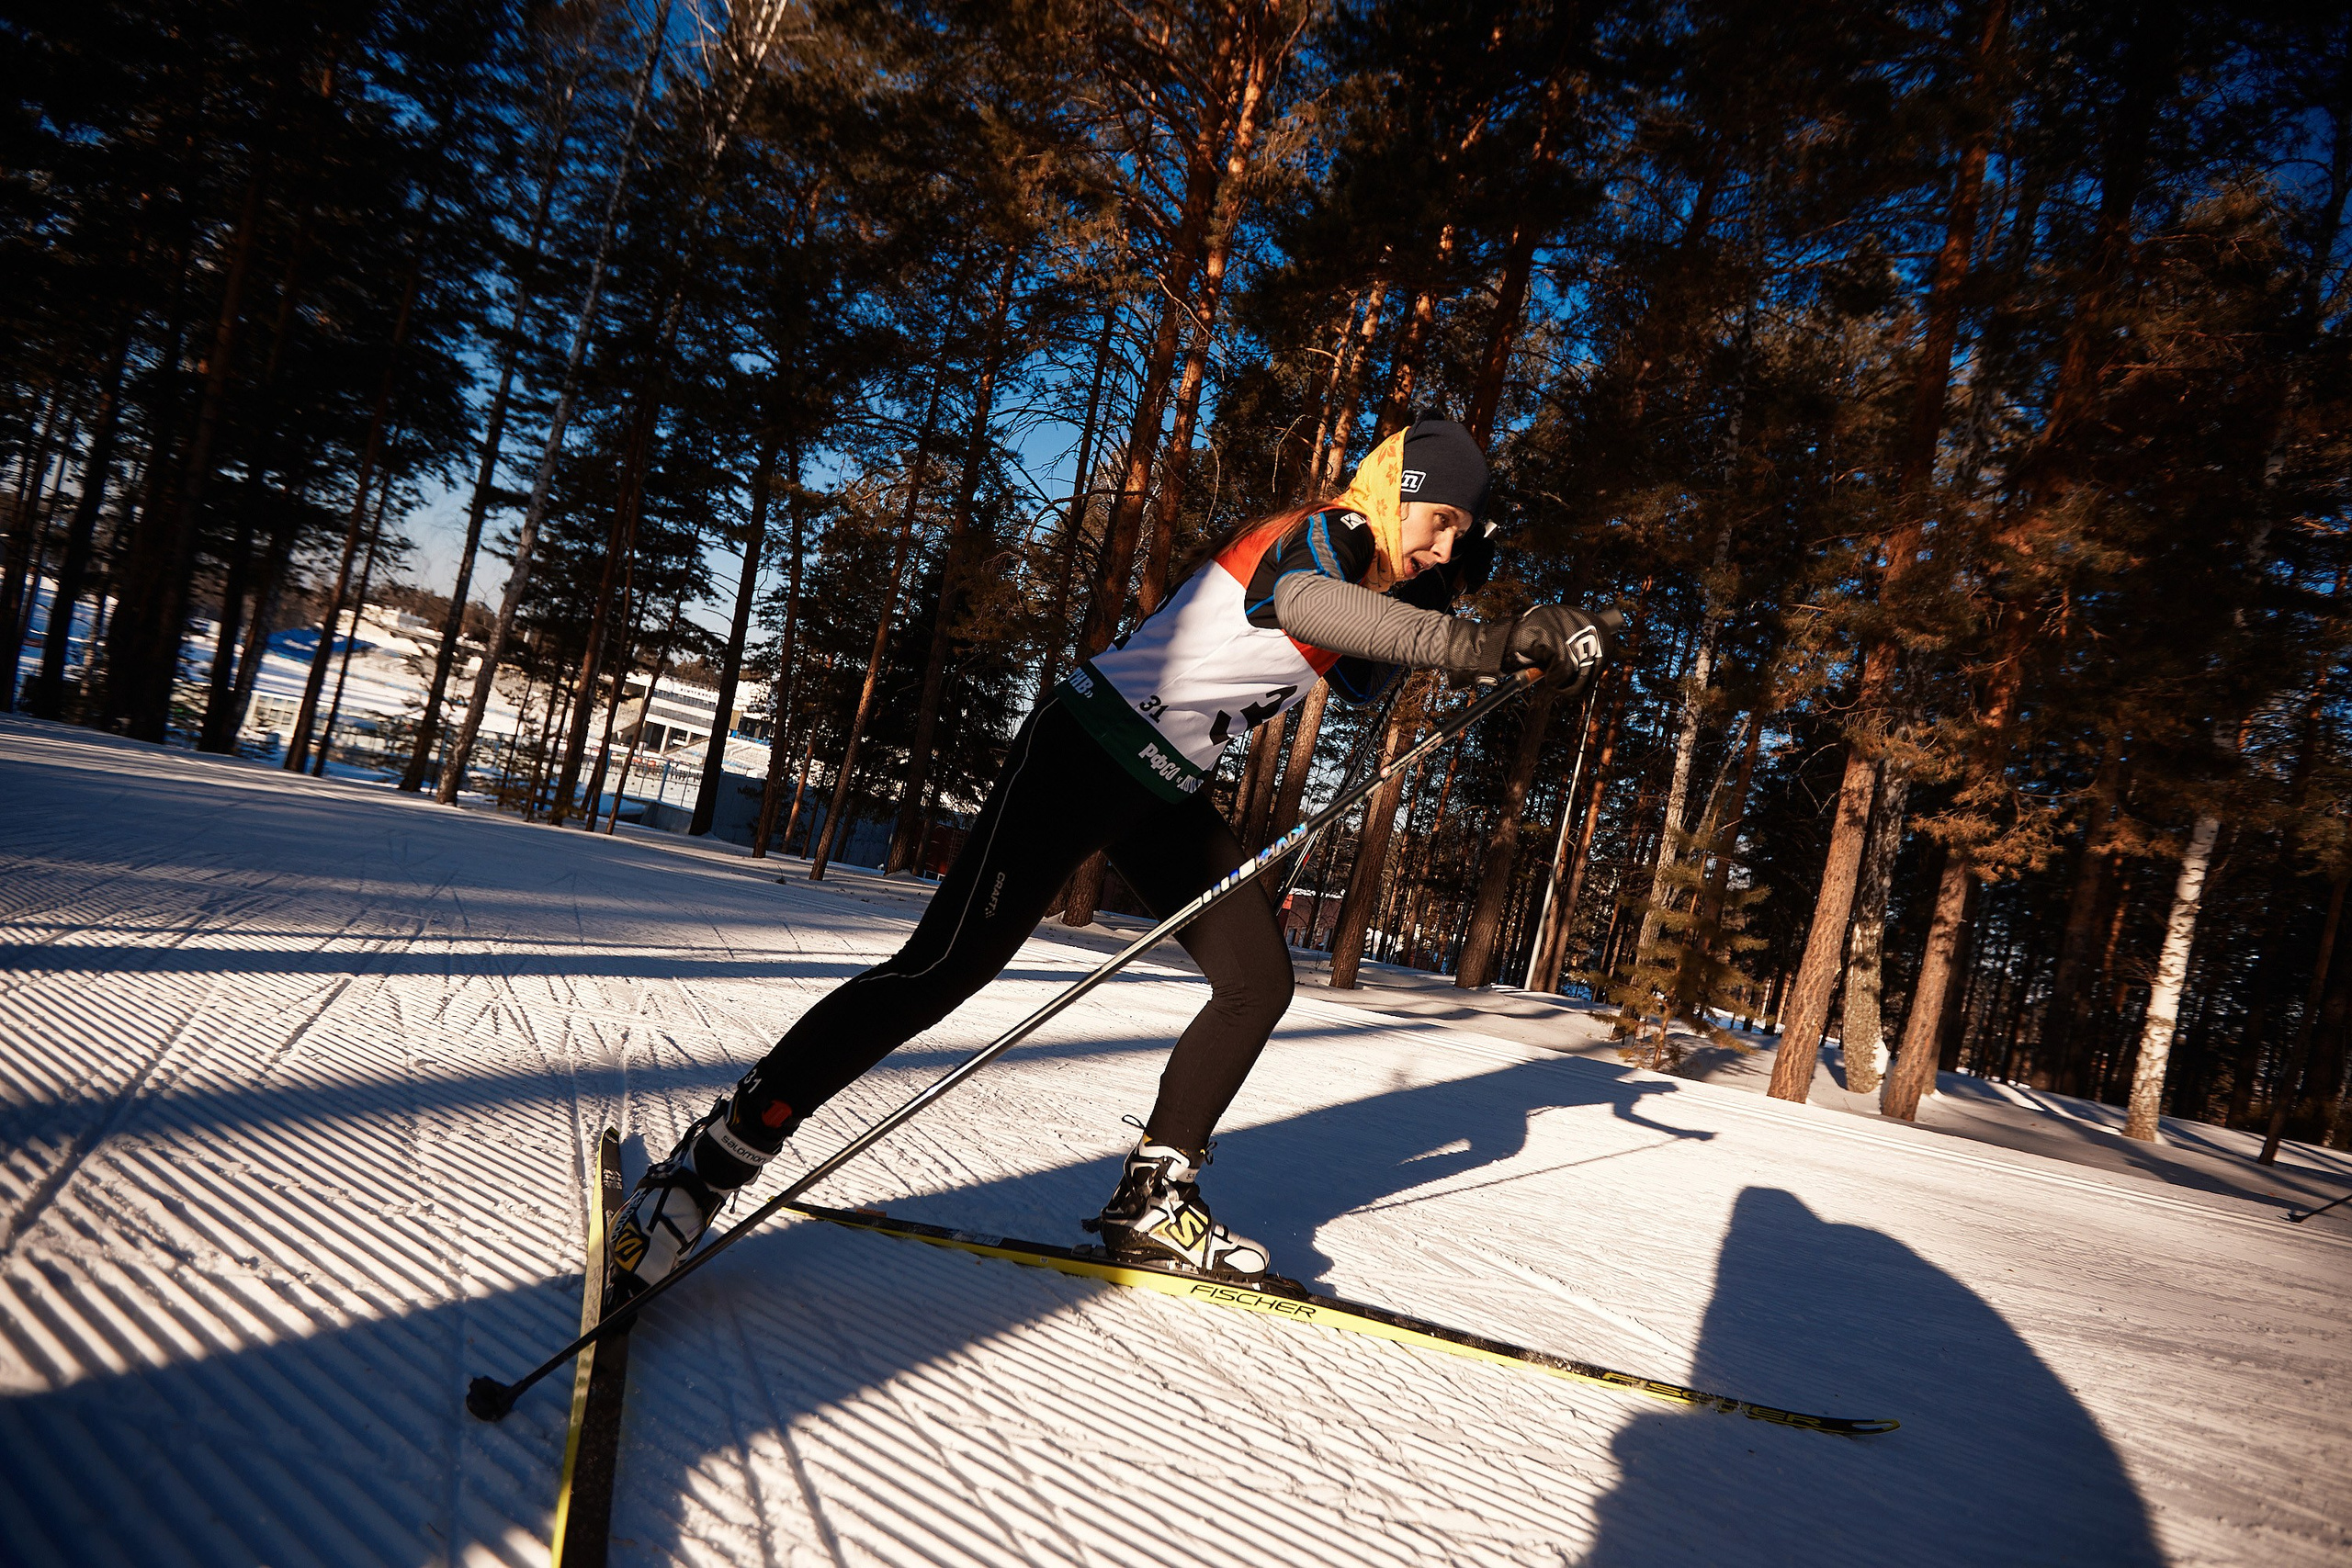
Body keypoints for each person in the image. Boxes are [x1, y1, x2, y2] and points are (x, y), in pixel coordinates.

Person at [609, 416, 1611, 1295]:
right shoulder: (1320, 533)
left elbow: (1361, 674)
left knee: (1256, 981)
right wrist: (1482, 641)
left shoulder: (1380, 573)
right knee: (940, 970)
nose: (1440, 551)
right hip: (1084, 750)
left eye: (1460, 543)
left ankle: (1153, 1194)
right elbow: (1308, 607)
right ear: (1404, 494)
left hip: (1161, 787)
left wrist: (1464, 620)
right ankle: (709, 1165)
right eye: (1440, 526)